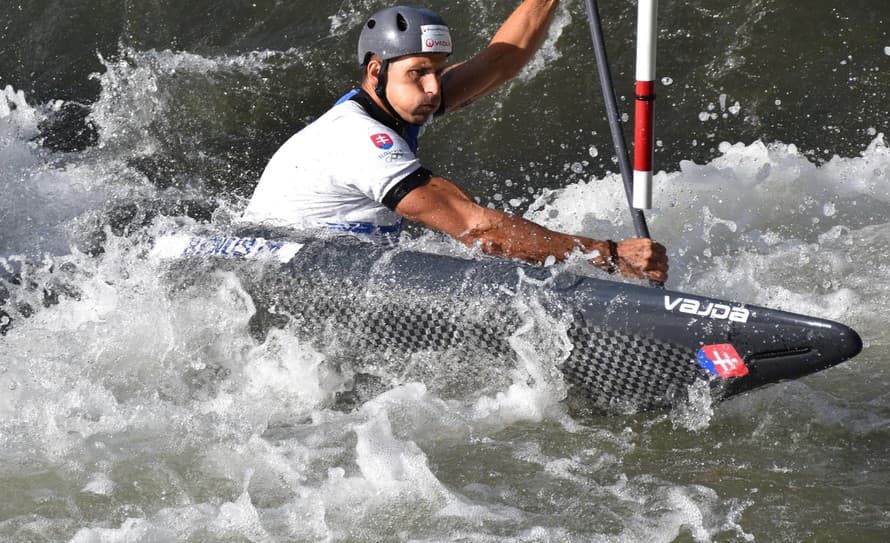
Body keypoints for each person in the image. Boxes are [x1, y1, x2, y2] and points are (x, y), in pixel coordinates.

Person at [243, 2, 668, 282]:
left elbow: (501, 60)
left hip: (330, 267)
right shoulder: (360, 138)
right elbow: (477, 228)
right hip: (282, 279)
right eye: (419, 72)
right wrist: (608, 254)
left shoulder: (396, 102)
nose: (434, 88)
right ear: (376, 71)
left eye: (439, 70)